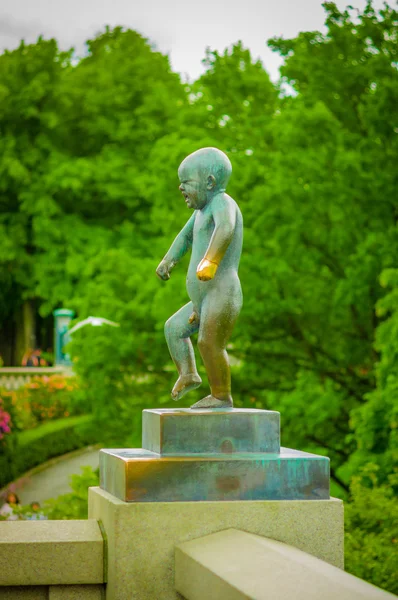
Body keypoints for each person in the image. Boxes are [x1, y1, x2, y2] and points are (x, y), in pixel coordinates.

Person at [156, 147, 243, 409]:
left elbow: (225, 228)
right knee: (173, 329)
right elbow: (184, 238)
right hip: (201, 301)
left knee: (208, 342)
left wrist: (210, 261)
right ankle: (188, 374)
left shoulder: (222, 203)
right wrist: (168, 259)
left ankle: (221, 396)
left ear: (209, 182)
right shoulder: (198, 214)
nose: (181, 188)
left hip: (222, 293)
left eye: (186, 183)